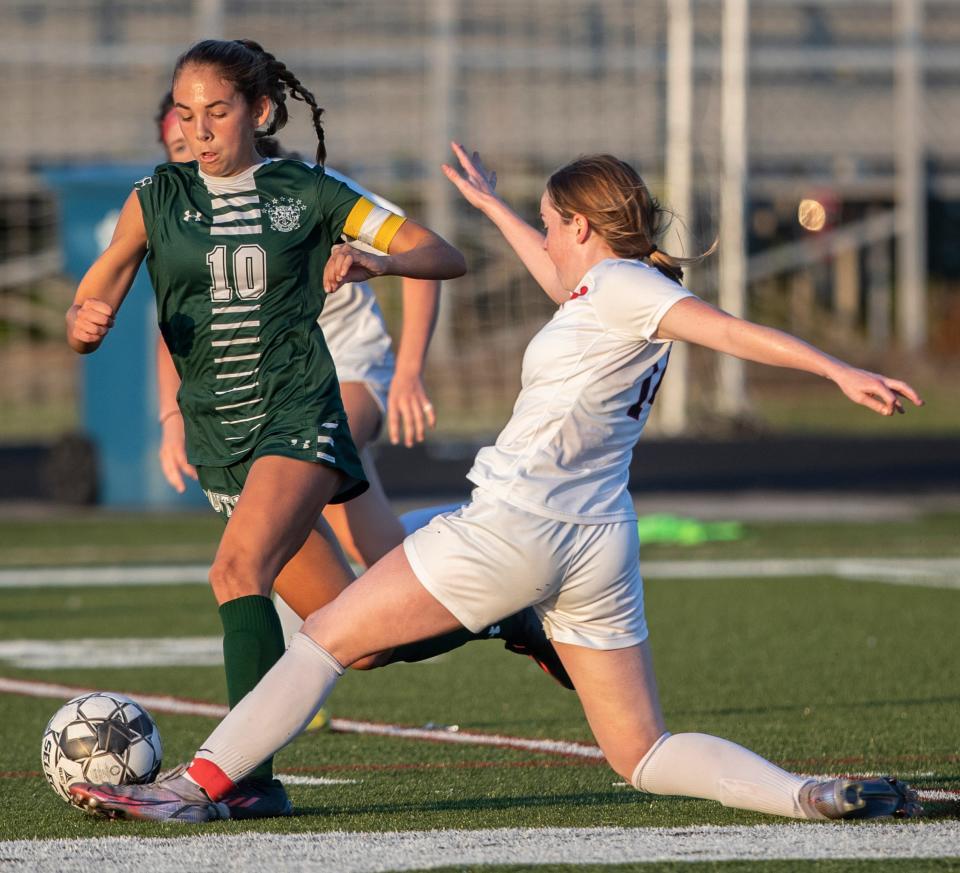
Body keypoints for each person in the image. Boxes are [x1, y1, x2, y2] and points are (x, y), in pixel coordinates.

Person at [70, 144, 923, 825]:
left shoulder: (624, 286)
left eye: (553, 224)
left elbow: (727, 329)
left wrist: (834, 366)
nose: (546, 240)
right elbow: (564, 278)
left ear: (585, 227)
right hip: (597, 545)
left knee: (326, 636)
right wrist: (490, 207)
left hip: (516, 527)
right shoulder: (616, 283)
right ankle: (806, 793)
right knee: (641, 753)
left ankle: (197, 784)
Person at [63, 37, 470, 820]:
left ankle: (243, 777)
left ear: (260, 111)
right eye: (186, 114)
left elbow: (441, 253)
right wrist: (86, 322)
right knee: (358, 633)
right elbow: (99, 291)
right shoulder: (154, 198)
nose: (199, 131)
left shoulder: (307, 190)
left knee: (235, 569)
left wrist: (380, 261)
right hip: (225, 439)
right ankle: (504, 610)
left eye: (217, 112)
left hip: (300, 411)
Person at [153, 92, 440, 567]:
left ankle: (311, 628)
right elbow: (178, 326)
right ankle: (476, 557)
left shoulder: (312, 190)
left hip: (346, 367)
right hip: (273, 388)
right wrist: (171, 417)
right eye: (178, 144)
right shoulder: (184, 216)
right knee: (375, 549)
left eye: (209, 122)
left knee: (281, 507)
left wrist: (409, 372)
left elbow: (423, 253)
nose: (195, 143)